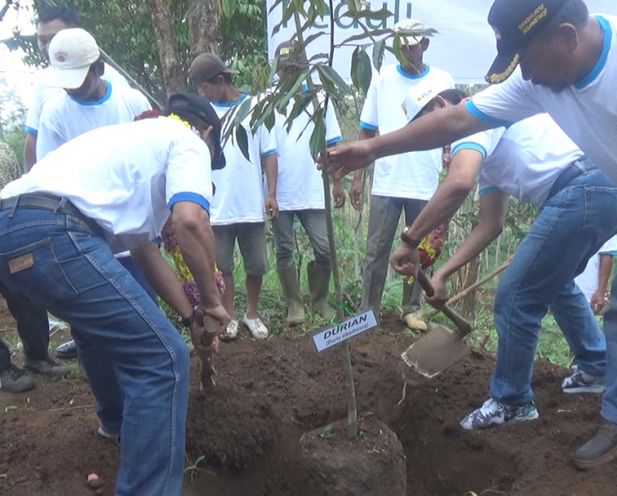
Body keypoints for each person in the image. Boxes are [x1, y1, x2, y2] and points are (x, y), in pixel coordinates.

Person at [326, 1, 617, 496]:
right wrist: (371, 148)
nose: (523, 72)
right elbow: (460, 120)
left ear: (568, 38)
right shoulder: (540, 78)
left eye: (527, 56)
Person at [0, 92, 230, 496]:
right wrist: (213, 302)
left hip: (12, 225)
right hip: (54, 228)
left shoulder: (128, 151)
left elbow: (145, 252)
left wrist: (191, 315)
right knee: (162, 358)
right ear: (208, 132)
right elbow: (191, 220)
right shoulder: (188, 139)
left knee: (113, 335)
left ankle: (121, 427)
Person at [391, 81, 617, 428]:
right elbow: (491, 224)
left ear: (440, 106)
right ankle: (596, 367)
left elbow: (458, 183)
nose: (429, 137)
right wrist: (442, 274)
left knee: (517, 296)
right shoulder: (488, 147)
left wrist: (411, 239)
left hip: (583, 187)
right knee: (555, 282)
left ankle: (511, 401)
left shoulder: (474, 118)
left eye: (425, 124)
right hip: (605, 188)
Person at [35, 27, 152, 360]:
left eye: (80, 79)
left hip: (134, 231)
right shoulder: (55, 113)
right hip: (85, 234)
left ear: (98, 68)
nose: (73, 90)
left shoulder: (130, 101)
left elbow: (147, 159)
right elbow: (49, 176)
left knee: (143, 308)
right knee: (95, 326)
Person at [352, 19, 454, 331]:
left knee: (421, 252)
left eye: (414, 45)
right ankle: (367, 310)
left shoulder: (442, 79)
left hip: (424, 180)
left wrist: (449, 151)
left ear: (425, 45)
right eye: (403, 47)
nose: (409, 51)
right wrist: (357, 178)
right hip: (387, 178)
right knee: (376, 250)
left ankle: (412, 308)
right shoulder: (382, 79)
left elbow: (453, 121)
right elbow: (367, 129)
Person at [188, 53, 278, 340]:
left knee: (256, 265)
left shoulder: (254, 107)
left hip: (250, 201)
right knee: (222, 267)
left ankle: (252, 314)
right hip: (216, 204)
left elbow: (269, 153)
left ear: (220, 80)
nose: (201, 93)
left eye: (204, 87)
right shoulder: (202, 112)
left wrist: (271, 193)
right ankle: (230, 317)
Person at [271, 42, 345, 325]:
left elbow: (333, 145)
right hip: (280, 189)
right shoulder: (269, 102)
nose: (289, 74)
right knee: (284, 248)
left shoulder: (319, 99)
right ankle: (294, 303)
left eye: (295, 69)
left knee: (325, 248)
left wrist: (337, 182)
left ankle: (318, 300)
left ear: (304, 69)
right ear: (277, 71)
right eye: (284, 69)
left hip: (313, 188)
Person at [24, 5, 129, 170]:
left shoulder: (114, 81)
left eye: (55, 38)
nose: (49, 47)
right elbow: (33, 140)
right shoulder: (44, 82)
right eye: (42, 40)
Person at [0, 142, 69, 392]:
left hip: (8, 232)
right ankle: (2, 369)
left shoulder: (4, 151)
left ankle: (37, 357)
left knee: (27, 295)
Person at [574, 235, 617, 314]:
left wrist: (600, 291)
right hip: (561, 290)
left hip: (587, 292)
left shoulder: (607, 223)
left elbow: (607, 253)